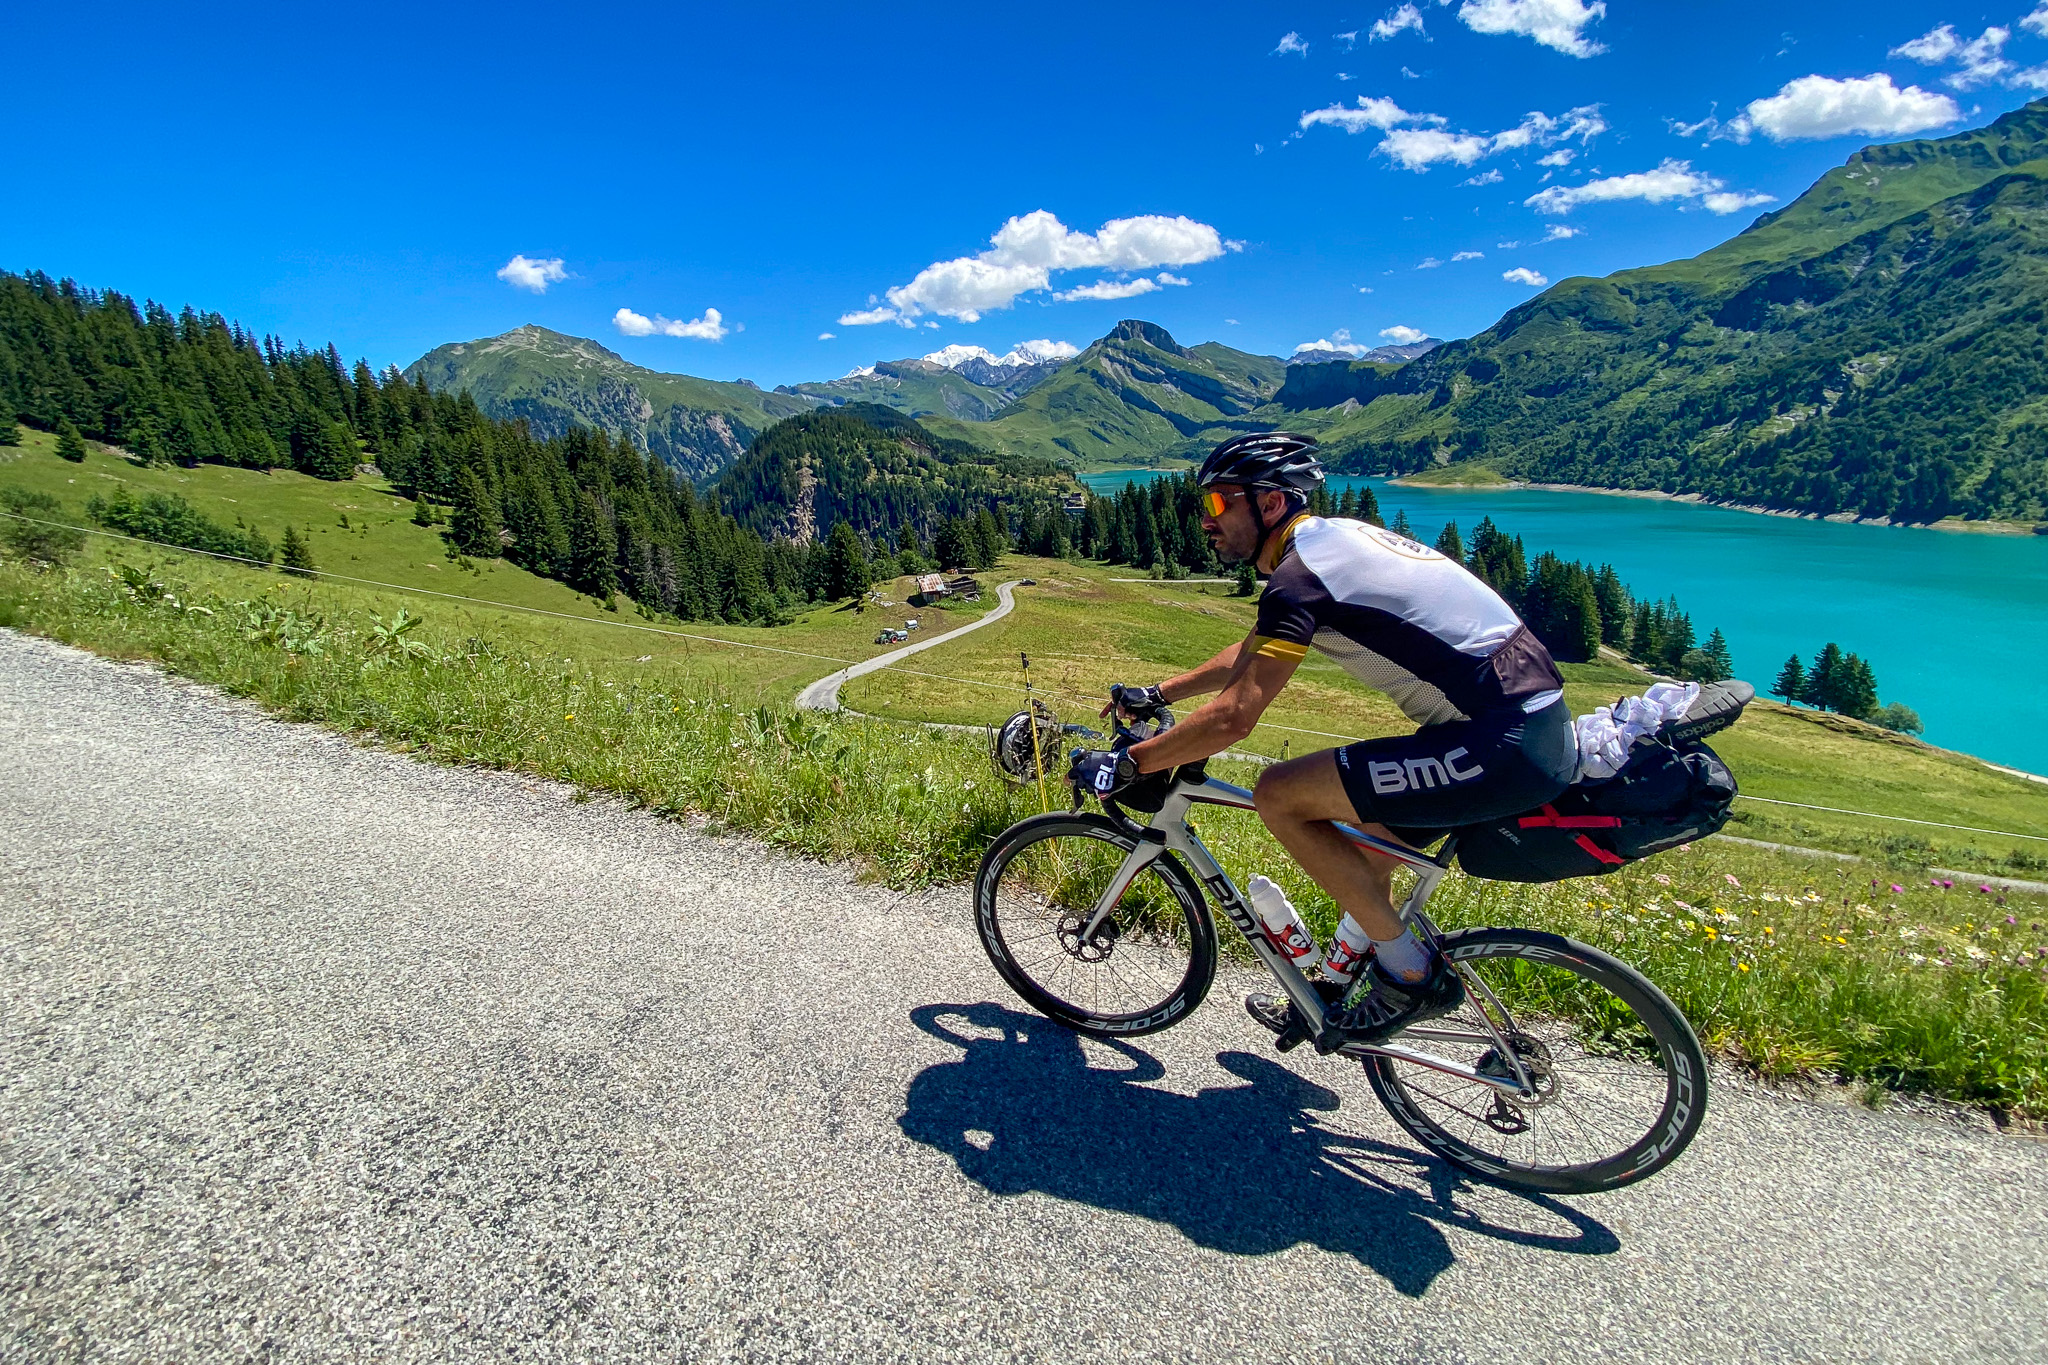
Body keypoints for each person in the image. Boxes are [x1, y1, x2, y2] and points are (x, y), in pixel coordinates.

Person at [1068, 433, 1577, 1050]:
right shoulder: (1323, 546)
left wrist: (1126, 763)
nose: (1207, 520)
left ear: (1272, 504)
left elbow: (1234, 718)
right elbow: (1253, 649)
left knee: (1280, 793)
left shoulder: (1302, 576)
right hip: (1524, 726)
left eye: (1222, 503)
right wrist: (1161, 694)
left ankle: (1411, 977)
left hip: (1501, 741)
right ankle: (1333, 989)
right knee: (1362, 866)